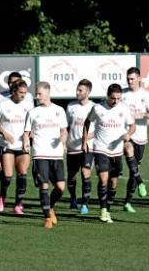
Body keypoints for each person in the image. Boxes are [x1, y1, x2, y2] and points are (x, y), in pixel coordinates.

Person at [82, 84, 135, 223]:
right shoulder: (98, 108)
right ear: (108, 96)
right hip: (100, 148)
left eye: (118, 98)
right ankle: (103, 210)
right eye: (113, 98)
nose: (115, 101)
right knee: (104, 179)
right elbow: (87, 122)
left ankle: (108, 209)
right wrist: (84, 140)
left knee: (113, 182)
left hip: (117, 151)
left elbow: (132, 125)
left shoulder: (123, 109)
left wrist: (128, 134)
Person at [23, 81, 67, 229]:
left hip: (56, 155)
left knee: (61, 187)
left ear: (48, 93)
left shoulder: (59, 110)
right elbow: (26, 132)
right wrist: (25, 142)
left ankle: (50, 207)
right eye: (36, 93)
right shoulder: (33, 112)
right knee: (44, 185)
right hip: (40, 154)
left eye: (40, 93)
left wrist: (63, 140)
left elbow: (64, 131)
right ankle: (47, 218)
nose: (37, 96)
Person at [0, 71, 34, 212]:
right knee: (8, 176)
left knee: (22, 172)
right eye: (21, 92)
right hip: (8, 146)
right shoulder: (3, 104)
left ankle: (18, 204)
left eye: (25, 92)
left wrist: (29, 134)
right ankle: (2, 196)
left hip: (22, 145)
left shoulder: (28, 104)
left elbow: (33, 123)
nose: (23, 95)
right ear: (14, 91)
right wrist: (4, 132)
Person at [121, 67, 149, 213]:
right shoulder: (122, 94)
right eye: (128, 78)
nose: (129, 81)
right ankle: (141, 182)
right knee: (129, 155)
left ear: (139, 79)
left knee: (134, 170)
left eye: (132, 78)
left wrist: (142, 115)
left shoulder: (146, 95)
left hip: (141, 137)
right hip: (125, 135)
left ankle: (127, 202)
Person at [65, 79, 95, 215]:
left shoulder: (94, 107)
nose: (77, 92)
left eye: (80, 90)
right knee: (71, 176)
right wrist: (63, 142)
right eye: (77, 89)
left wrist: (87, 137)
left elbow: (99, 127)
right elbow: (65, 127)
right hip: (72, 147)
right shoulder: (71, 107)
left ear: (88, 92)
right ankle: (73, 198)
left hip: (88, 147)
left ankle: (85, 204)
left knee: (85, 173)